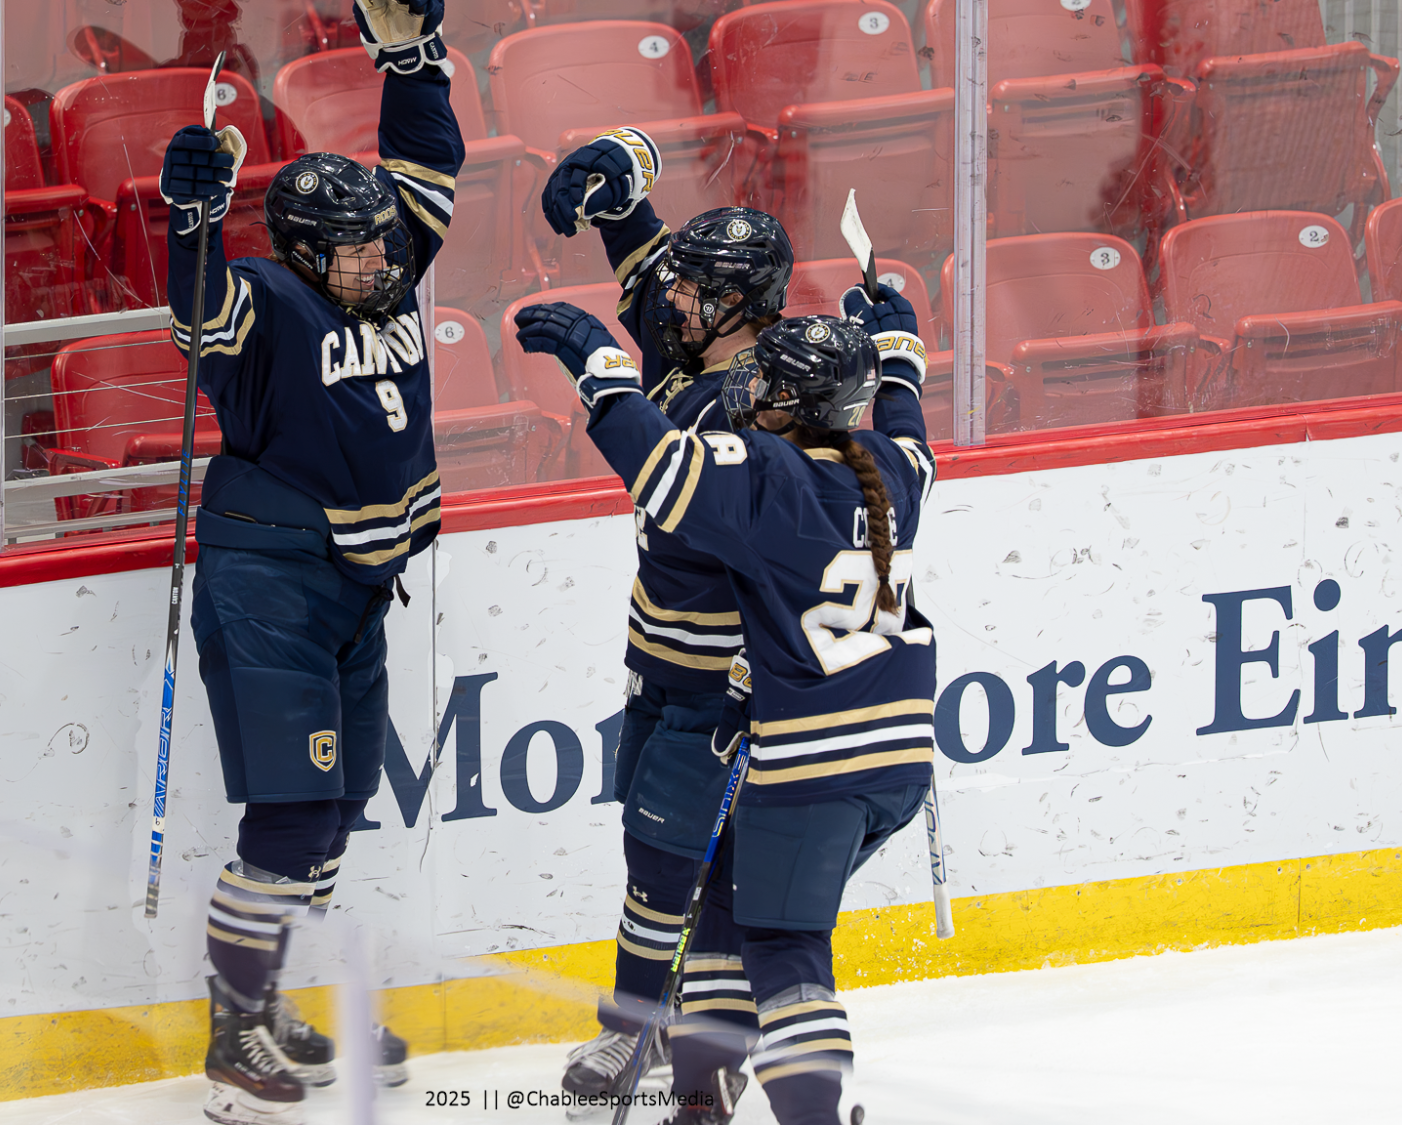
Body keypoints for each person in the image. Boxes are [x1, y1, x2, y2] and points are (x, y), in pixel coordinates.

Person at [515, 294, 936, 1125]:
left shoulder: (766, 473)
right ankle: (700, 1102)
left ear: (807, 409)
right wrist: (900, 349)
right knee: (725, 921)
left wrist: (602, 372)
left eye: (772, 388)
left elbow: (659, 465)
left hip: (811, 761)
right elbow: (911, 425)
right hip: (899, 754)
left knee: (781, 948)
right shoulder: (893, 467)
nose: (752, 394)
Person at [157, 3, 461, 1122]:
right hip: (270, 583)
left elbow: (426, 164)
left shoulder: (376, 262)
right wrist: (190, 216)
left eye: (386, 241)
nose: (382, 259)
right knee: (289, 820)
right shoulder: (271, 301)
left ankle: (272, 1000)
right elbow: (195, 303)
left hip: (353, 589)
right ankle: (234, 1029)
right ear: (297, 249)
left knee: (332, 814)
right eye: (357, 246)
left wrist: (409, 61)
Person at [536, 128, 803, 1099]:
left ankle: (697, 1048)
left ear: (739, 307)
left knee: (695, 870)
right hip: (658, 664)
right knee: (654, 864)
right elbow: (655, 284)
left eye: (693, 293)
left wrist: (601, 380)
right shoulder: (706, 341)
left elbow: (655, 457)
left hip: (726, 685)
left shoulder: (754, 401)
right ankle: (654, 1028)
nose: (670, 302)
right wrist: (619, 188)